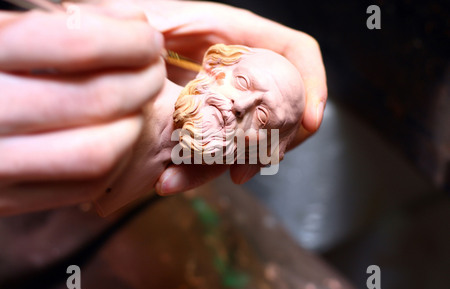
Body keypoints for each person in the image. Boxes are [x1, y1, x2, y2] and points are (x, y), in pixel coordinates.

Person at [0, 0, 327, 216]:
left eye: (263, 116)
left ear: (263, 151)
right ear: (214, 65)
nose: (240, 106)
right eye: (242, 83)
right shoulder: (130, 73)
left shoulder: (164, 164)